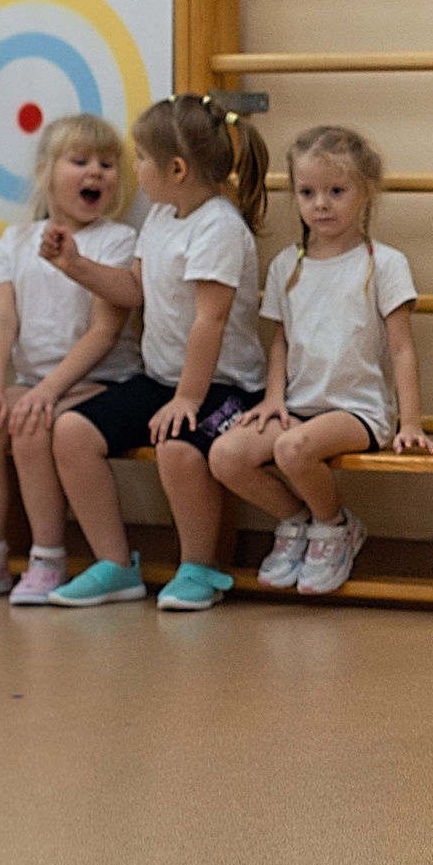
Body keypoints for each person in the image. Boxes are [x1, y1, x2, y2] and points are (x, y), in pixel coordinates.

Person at [44, 95, 270, 612]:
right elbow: (132, 289)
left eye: (141, 158)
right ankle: (115, 564)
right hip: (164, 380)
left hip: (225, 386)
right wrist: (75, 265)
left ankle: (199, 567)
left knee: (175, 446)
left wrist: (189, 399)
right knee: (72, 432)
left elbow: (209, 321)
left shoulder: (219, 226)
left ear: (176, 168)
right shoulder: (162, 215)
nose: (135, 168)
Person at [214, 125, 433, 595]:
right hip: (297, 406)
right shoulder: (286, 265)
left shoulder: (384, 264)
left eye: (336, 191)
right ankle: (298, 521)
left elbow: (402, 348)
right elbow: (279, 343)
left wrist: (411, 423)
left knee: (291, 449)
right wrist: (273, 398)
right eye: (308, 192)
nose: (321, 203)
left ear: (366, 191)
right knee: (226, 455)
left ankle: (333, 525)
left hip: (358, 412)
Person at [0, 116, 142, 605]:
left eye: (107, 164)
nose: (97, 172)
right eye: (81, 161)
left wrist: (48, 391)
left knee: (31, 423)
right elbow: (0, 321)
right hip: (32, 380)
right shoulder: (16, 242)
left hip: (100, 380)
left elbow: (104, 332)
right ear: (46, 172)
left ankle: (47, 559)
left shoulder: (116, 241)